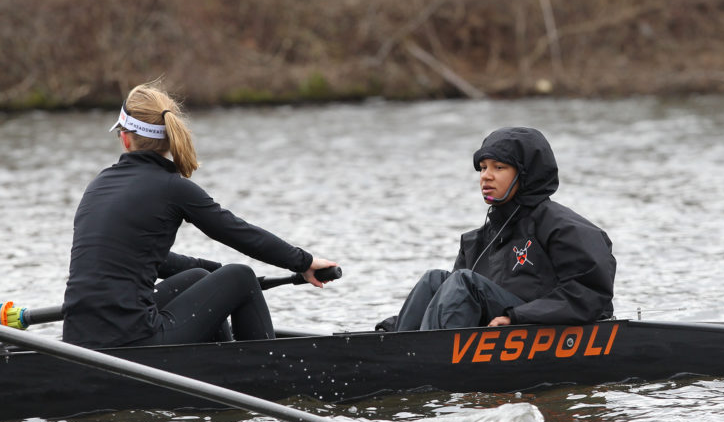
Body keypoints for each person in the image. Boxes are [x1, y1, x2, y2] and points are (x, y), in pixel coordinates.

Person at [61, 82, 337, 350]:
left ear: (124, 138)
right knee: (241, 277)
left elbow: (139, 257)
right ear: (170, 138)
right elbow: (237, 232)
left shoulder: (99, 184)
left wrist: (214, 272)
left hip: (78, 340)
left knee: (198, 276)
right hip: (133, 340)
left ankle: (217, 361)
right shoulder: (172, 187)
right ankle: (263, 373)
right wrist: (304, 261)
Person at [378, 126, 615, 332]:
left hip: (541, 325)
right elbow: (446, 304)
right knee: (435, 280)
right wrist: (393, 324)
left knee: (463, 282)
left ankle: (423, 357)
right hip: (496, 327)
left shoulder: (567, 228)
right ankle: (397, 344)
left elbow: (590, 296)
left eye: (499, 167)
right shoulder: (476, 240)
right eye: (482, 168)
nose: (485, 177)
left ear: (525, 175)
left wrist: (516, 317)